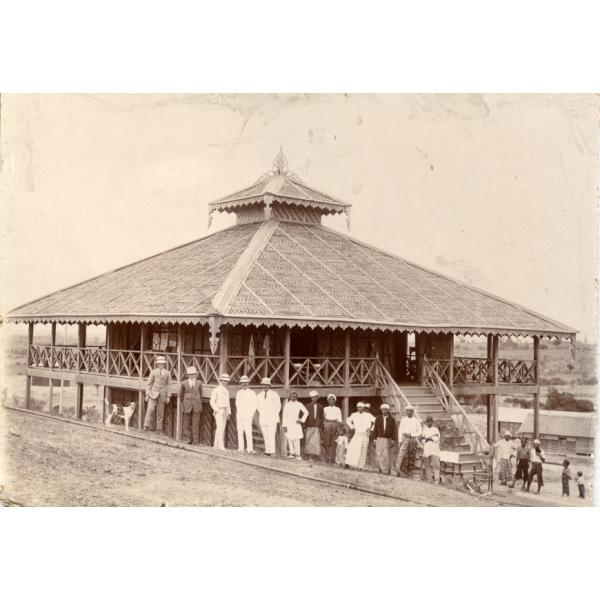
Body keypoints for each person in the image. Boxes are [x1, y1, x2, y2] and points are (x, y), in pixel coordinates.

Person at [143, 356, 172, 433]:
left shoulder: (167, 373)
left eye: (162, 364)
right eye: (159, 364)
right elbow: (149, 384)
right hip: (153, 393)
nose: (161, 365)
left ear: (164, 364)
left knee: (160, 412)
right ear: (157, 364)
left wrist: (168, 396)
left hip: (162, 394)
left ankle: (159, 429)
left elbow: (169, 385)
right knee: (150, 409)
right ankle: (146, 425)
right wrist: (147, 394)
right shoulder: (153, 372)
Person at [345, 402, 375, 469]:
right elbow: (348, 420)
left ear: (363, 408)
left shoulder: (368, 415)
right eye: (358, 407)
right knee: (352, 447)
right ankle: (349, 463)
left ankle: (361, 465)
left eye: (361, 407)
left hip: (365, 434)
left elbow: (376, 421)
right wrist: (352, 427)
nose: (359, 408)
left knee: (363, 450)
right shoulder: (354, 414)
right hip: (357, 433)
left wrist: (371, 429)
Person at [256, 377, 281, 456]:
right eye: (263, 385)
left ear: (269, 386)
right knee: (265, 434)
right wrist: (263, 413)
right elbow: (258, 406)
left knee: (271, 434)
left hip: (272, 418)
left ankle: (272, 451)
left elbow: (278, 406)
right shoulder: (259, 395)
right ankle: (267, 451)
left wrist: (273, 414)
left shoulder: (274, 394)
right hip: (263, 418)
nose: (265, 386)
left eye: (266, 385)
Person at [396, 405, 422, 476]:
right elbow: (400, 430)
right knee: (401, 454)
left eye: (410, 411)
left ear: (412, 412)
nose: (408, 412)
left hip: (412, 440)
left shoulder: (416, 421)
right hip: (404, 439)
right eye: (407, 411)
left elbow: (420, 431)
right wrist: (400, 440)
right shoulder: (403, 420)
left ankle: (408, 472)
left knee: (411, 455)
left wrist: (412, 434)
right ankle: (399, 471)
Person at [179, 366, 202, 445]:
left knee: (196, 423)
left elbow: (200, 394)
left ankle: (196, 441)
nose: (192, 376)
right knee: (186, 423)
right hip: (187, 405)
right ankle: (189, 439)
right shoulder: (184, 383)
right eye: (190, 374)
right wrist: (183, 404)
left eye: (193, 374)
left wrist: (198, 402)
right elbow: (181, 396)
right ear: (188, 375)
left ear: (195, 374)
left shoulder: (199, 383)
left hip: (196, 405)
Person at [282, 391, 308, 459]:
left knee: (296, 439)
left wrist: (301, 420)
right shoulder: (287, 405)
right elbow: (284, 415)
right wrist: (284, 425)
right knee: (290, 439)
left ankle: (298, 455)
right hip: (289, 424)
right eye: (292, 396)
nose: (293, 397)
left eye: (295, 396)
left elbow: (306, 412)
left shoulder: (299, 404)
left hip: (296, 423)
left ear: (297, 397)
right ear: (290, 396)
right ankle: (292, 454)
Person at [371, 403, 396, 475]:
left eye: (385, 409)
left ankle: (385, 470)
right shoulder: (378, 418)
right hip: (379, 438)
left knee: (386, 454)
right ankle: (380, 468)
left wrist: (393, 439)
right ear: (381, 410)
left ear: (388, 410)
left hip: (387, 439)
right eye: (383, 409)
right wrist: (374, 439)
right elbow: (375, 429)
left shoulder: (391, 419)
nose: (384, 411)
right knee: (379, 453)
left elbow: (394, 430)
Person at [235, 375, 257, 453]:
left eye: (246, 383)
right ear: (241, 384)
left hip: (248, 416)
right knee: (240, 432)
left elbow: (254, 405)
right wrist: (239, 414)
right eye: (242, 383)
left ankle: (250, 449)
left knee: (248, 432)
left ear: (248, 383)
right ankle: (241, 448)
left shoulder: (252, 393)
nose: (244, 384)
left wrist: (250, 415)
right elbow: (237, 404)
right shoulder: (238, 393)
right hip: (240, 415)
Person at [210, 373, 231, 450]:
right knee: (220, 427)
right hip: (218, 410)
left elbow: (227, 402)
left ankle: (216, 445)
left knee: (221, 428)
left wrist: (228, 412)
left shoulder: (226, 391)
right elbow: (212, 401)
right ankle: (221, 446)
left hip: (225, 410)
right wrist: (216, 409)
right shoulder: (216, 390)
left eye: (227, 381)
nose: (226, 382)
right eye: (224, 381)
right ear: (221, 381)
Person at [322, 394, 343, 463]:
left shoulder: (337, 409)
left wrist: (339, 428)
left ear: (334, 401)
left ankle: (332, 459)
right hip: (327, 424)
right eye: (329, 399)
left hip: (335, 424)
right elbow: (323, 418)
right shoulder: (325, 408)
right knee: (327, 441)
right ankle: (327, 458)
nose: (331, 401)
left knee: (334, 442)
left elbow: (339, 419)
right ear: (328, 401)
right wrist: (324, 425)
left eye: (332, 399)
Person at [304, 390, 324, 460]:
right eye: (312, 397)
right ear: (311, 398)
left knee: (315, 441)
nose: (314, 399)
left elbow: (321, 417)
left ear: (317, 397)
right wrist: (305, 426)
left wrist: (320, 426)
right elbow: (305, 417)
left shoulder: (320, 406)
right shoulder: (307, 406)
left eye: (315, 397)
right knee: (308, 440)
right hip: (309, 425)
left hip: (316, 426)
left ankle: (314, 455)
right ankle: (308, 455)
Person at [421, 416, 441, 483]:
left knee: (436, 465)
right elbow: (423, 439)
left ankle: (436, 480)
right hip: (427, 449)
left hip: (434, 449)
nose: (429, 423)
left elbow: (436, 438)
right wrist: (426, 439)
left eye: (430, 421)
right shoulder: (424, 430)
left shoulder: (435, 429)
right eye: (428, 422)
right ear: (426, 422)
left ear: (432, 422)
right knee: (427, 465)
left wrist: (430, 438)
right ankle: (429, 479)